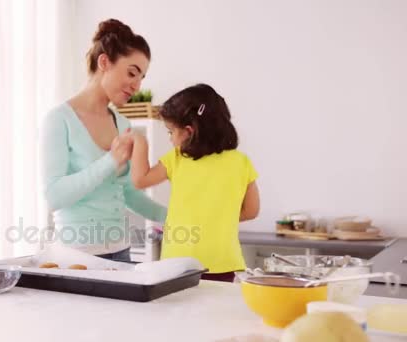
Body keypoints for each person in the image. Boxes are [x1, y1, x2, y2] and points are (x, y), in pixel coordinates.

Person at [40, 19, 167, 261]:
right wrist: (110, 161)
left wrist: (171, 217)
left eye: (141, 78)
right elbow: (54, 196)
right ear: (104, 62)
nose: (137, 85)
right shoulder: (59, 120)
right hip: (77, 256)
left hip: (121, 251)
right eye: (132, 73)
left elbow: (127, 192)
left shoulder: (122, 123)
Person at [129, 83, 260, 281]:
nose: (171, 139)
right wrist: (216, 219)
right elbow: (251, 211)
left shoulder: (177, 157)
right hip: (223, 261)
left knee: (179, 311)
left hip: (178, 263)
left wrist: (140, 142)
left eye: (170, 132)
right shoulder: (241, 162)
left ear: (189, 131)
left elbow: (140, 180)